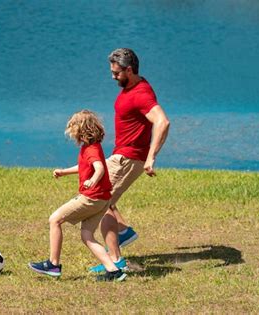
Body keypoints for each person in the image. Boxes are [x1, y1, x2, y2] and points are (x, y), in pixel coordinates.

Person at [89, 48, 170, 273]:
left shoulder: (141, 93)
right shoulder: (133, 86)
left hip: (128, 159)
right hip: (121, 155)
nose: (112, 76)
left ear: (129, 70)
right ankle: (123, 231)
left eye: (116, 73)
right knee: (105, 198)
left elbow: (162, 122)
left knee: (99, 201)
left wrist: (151, 156)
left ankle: (115, 262)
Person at [29, 110, 127, 282]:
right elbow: (85, 166)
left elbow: (99, 168)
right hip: (102, 200)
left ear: (82, 129)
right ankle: (114, 271)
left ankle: (53, 264)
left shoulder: (91, 150)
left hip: (91, 198)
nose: (71, 132)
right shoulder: (91, 147)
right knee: (87, 236)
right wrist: (64, 172)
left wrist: (93, 180)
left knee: (55, 219)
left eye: (72, 128)